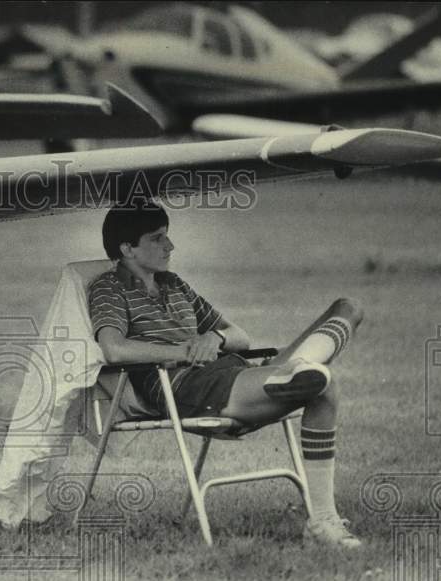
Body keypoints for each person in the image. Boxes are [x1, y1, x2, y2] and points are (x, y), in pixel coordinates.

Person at [88, 199, 364, 548]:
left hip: (231, 374)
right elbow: (114, 349)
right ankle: (323, 520)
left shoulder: (175, 285)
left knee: (347, 308)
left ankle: (295, 374)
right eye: (158, 239)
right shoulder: (108, 289)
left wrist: (213, 337)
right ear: (128, 248)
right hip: (188, 388)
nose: (170, 246)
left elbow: (239, 337)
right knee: (323, 386)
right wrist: (183, 351)